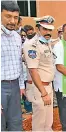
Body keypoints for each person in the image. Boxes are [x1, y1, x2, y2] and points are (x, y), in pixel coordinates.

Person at [23, 15, 55, 131]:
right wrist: (43, 93)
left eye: (49, 29)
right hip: (39, 87)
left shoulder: (46, 43)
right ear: (38, 29)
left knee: (48, 120)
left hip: (48, 86)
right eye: (44, 29)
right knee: (39, 121)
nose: (47, 32)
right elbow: (33, 70)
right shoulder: (32, 45)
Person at [1, 1, 25, 131]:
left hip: (15, 86)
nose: (12, 21)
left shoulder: (16, 36)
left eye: (15, 17)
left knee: (16, 122)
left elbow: (18, 63)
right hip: (1, 87)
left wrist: (21, 85)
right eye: (8, 16)